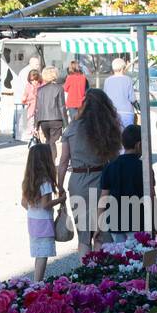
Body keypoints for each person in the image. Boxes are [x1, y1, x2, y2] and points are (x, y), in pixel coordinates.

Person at [58, 87, 123, 253]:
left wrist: (59, 186)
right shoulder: (109, 128)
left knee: (84, 234)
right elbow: (115, 159)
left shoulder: (72, 128)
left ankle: (85, 271)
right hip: (101, 179)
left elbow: (64, 161)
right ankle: (101, 272)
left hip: (78, 181)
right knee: (101, 230)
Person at [99, 123, 156, 241]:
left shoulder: (110, 167)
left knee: (119, 255)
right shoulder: (145, 168)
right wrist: (154, 221)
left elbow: (103, 197)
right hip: (138, 221)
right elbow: (151, 196)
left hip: (115, 221)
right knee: (136, 255)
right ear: (139, 145)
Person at [22, 143, 65, 281]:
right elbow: (46, 204)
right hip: (44, 223)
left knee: (38, 253)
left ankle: (36, 279)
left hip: (32, 221)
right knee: (43, 255)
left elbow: (24, 203)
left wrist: (34, 207)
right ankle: (37, 283)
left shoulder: (29, 180)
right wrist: (61, 199)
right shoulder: (45, 181)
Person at [35, 66, 67, 162]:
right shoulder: (59, 88)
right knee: (53, 142)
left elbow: (37, 108)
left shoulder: (40, 90)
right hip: (56, 119)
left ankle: (49, 161)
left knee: (48, 141)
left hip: (43, 119)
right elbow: (62, 107)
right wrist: (66, 123)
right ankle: (52, 162)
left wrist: (36, 125)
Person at [103, 57, 136, 128]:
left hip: (111, 113)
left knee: (114, 136)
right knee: (127, 136)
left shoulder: (107, 81)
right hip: (126, 113)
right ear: (122, 68)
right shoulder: (128, 80)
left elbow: (105, 98)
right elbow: (132, 99)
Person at [21, 68, 42, 147]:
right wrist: (25, 99)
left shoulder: (41, 86)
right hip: (31, 109)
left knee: (38, 127)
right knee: (31, 127)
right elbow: (24, 98)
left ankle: (37, 142)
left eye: (35, 80)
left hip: (40, 109)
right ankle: (33, 142)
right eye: (32, 80)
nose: (34, 82)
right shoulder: (28, 86)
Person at [63, 60, 87, 125]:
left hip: (71, 102)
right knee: (80, 122)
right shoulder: (83, 77)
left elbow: (65, 89)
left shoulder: (69, 78)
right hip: (81, 102)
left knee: (73, 122)